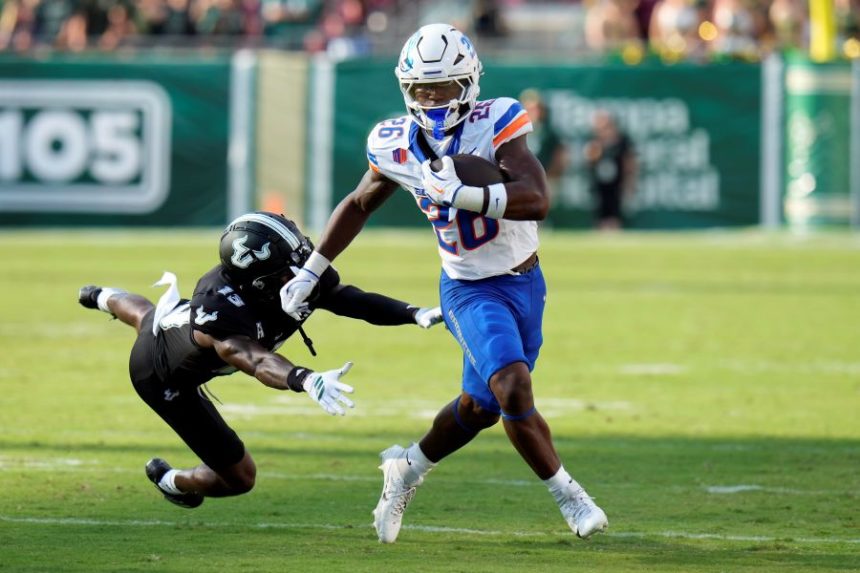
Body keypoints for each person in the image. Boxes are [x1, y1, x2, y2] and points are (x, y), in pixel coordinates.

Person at [279, 23, 608, 542]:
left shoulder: (496, 120)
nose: (432, 99)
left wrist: (467, 193)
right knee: (512, 384)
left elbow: (537, 197)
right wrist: (311, 269)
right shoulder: (394, 144)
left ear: (470, 83)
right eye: (420, 89)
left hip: (527, 282)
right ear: (404, 88)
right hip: (467, 288)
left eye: (444, 87)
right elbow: (360, 203)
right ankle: (571, 497)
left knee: (480, 407)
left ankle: (405, 467)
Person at [78, 211, 442, 509]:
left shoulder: (295, 268)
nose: (303, 272)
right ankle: (170, 480)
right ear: (258, 284)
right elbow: (252, 358)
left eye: (300, 257)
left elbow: (347, 298)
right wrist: (303, 378)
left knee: (150, 314)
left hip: (184, 326)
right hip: (162, 376)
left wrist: (411, 312)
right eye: (288, 271)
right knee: (239, 479)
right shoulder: (218, 306)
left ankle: (101, 296)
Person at [584, 110, 637, 231]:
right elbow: (589, 160)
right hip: (599, 184)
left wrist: (629, 181)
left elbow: (629, 161)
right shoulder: (594, 141)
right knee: (600, 211)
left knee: (615, 212)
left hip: (617, 183)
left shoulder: (622, 140)